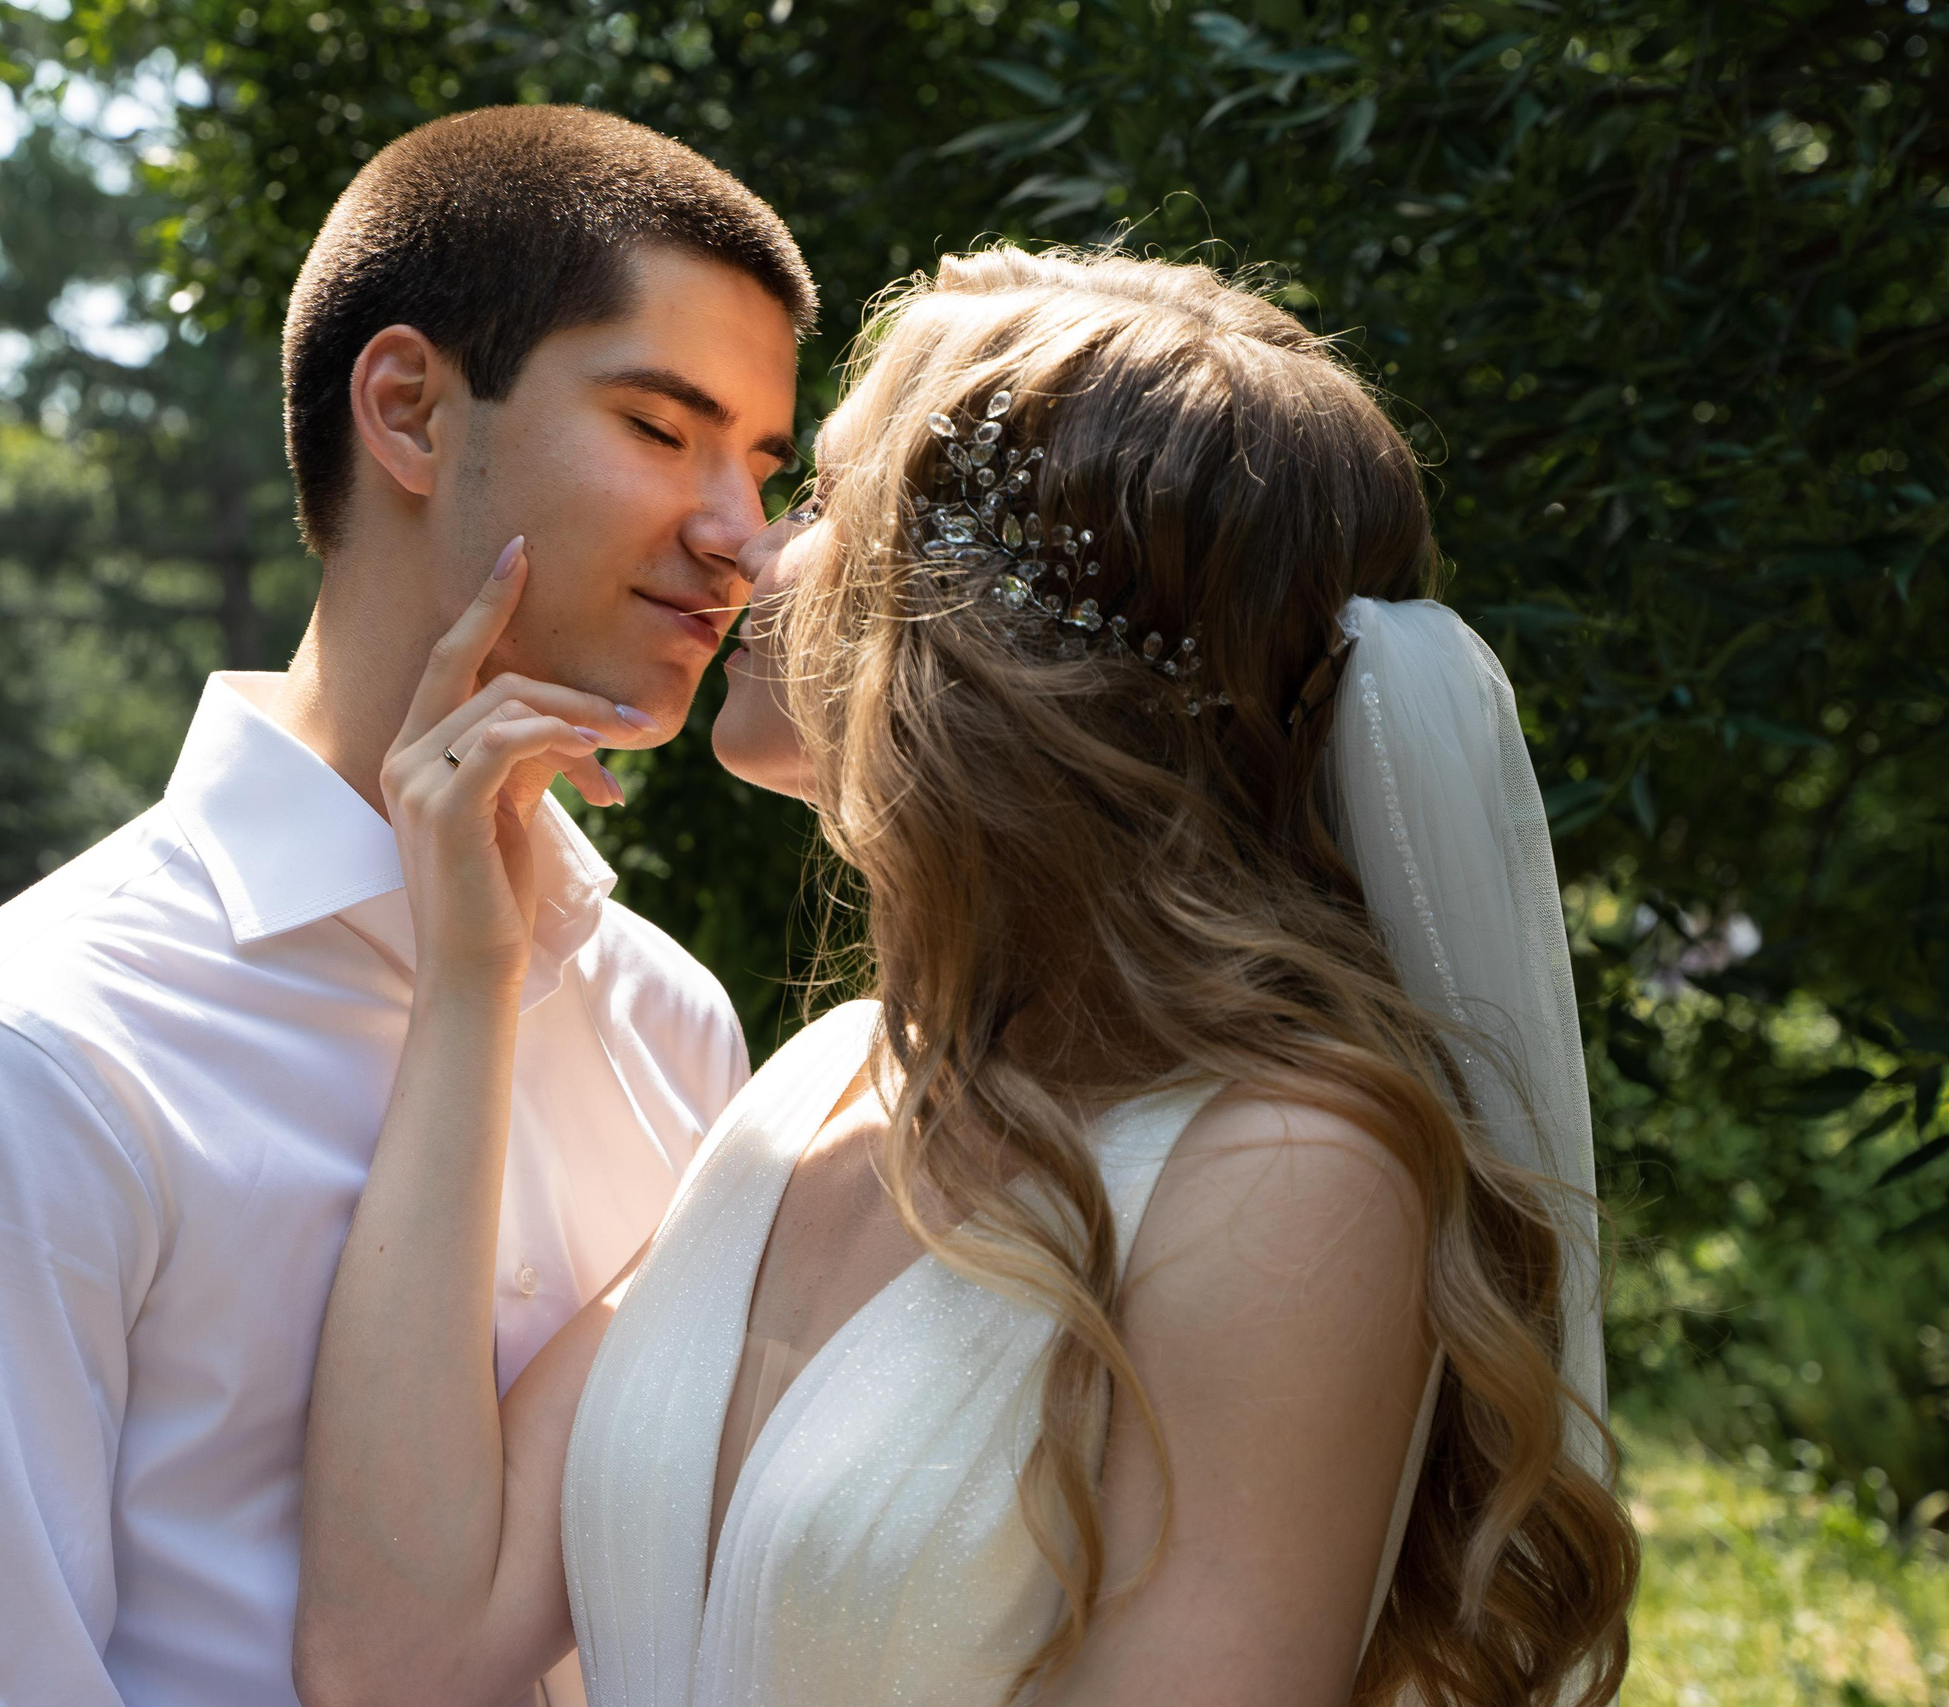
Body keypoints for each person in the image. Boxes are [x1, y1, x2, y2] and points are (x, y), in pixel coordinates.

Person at [292, 246, 1643, 1707]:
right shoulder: (815, 1089)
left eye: (817, 496)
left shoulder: (1285, 1172)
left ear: (985, 623)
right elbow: (396, 1653)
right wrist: (467, 986)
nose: (747, 546)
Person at [0, 106, 814, 1707]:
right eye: (661, 427)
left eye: (760, 460)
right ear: (408, 410)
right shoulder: (26, 1056)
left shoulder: (668, 1016)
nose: (739, 537)